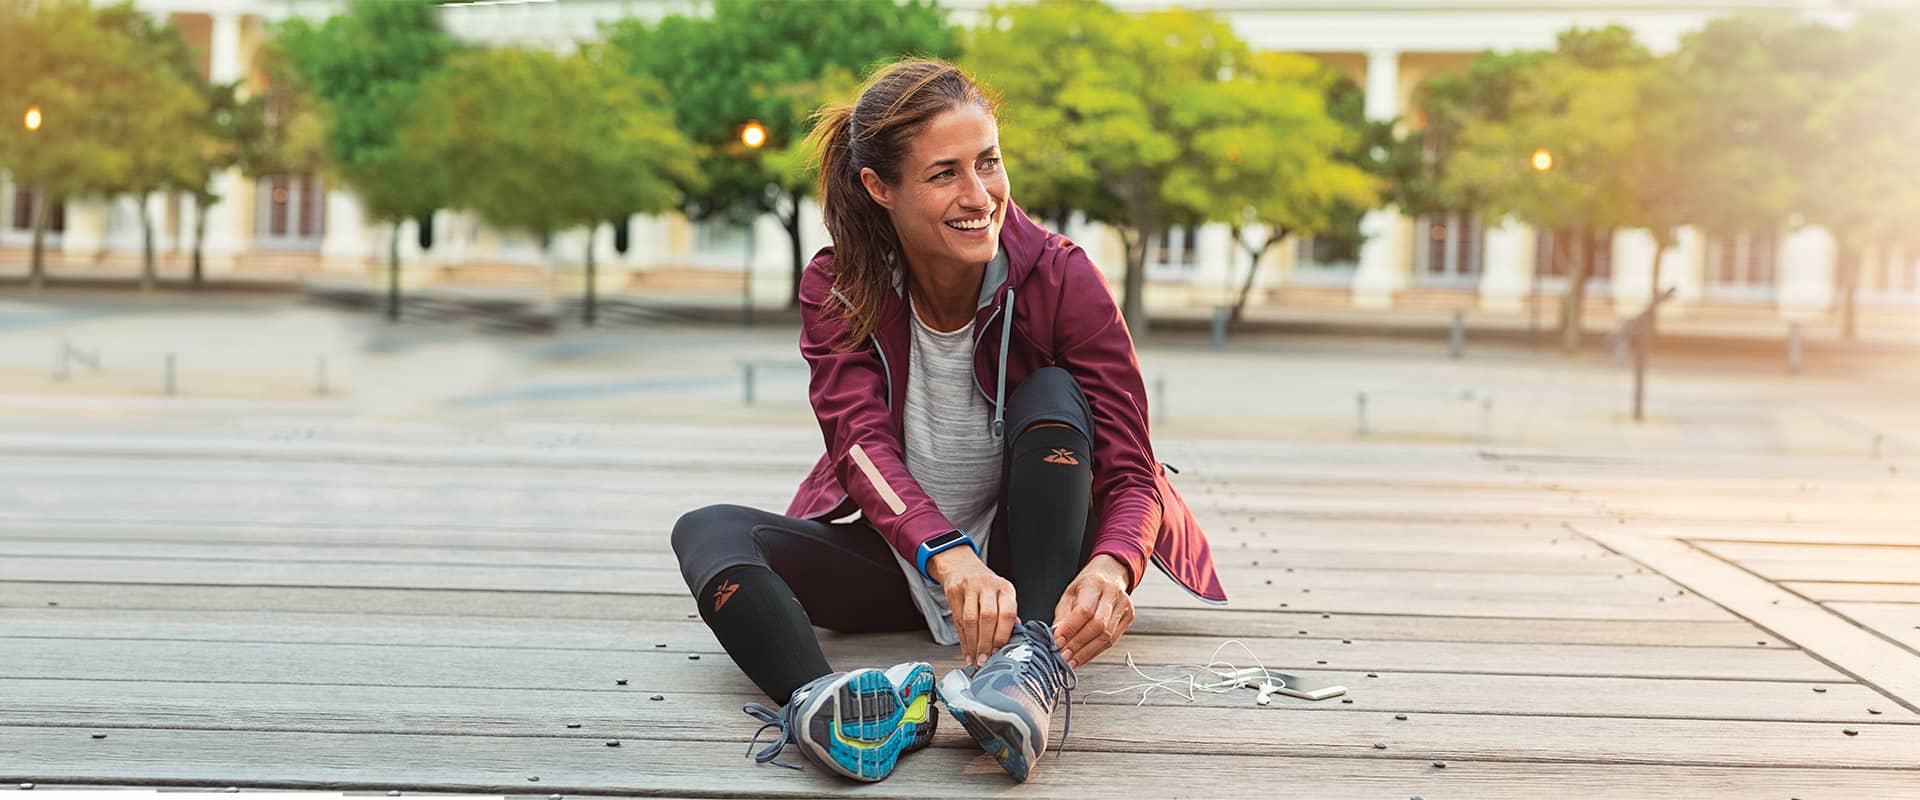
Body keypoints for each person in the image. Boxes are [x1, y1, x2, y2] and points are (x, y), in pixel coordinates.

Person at [670, 58, 1225, 784]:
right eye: (944, 174)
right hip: (906, 559)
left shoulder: (1061, 277)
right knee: (706, 530)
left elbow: (1131, 468)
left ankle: (1028, 669)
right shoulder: (839, 284)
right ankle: (820, 704)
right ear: (880, 187)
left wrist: (1114, 563)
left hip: (1037, 563)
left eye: (988, 163)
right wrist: (947, 554)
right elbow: (858, 447)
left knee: (1055, 395)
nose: (979, 195)